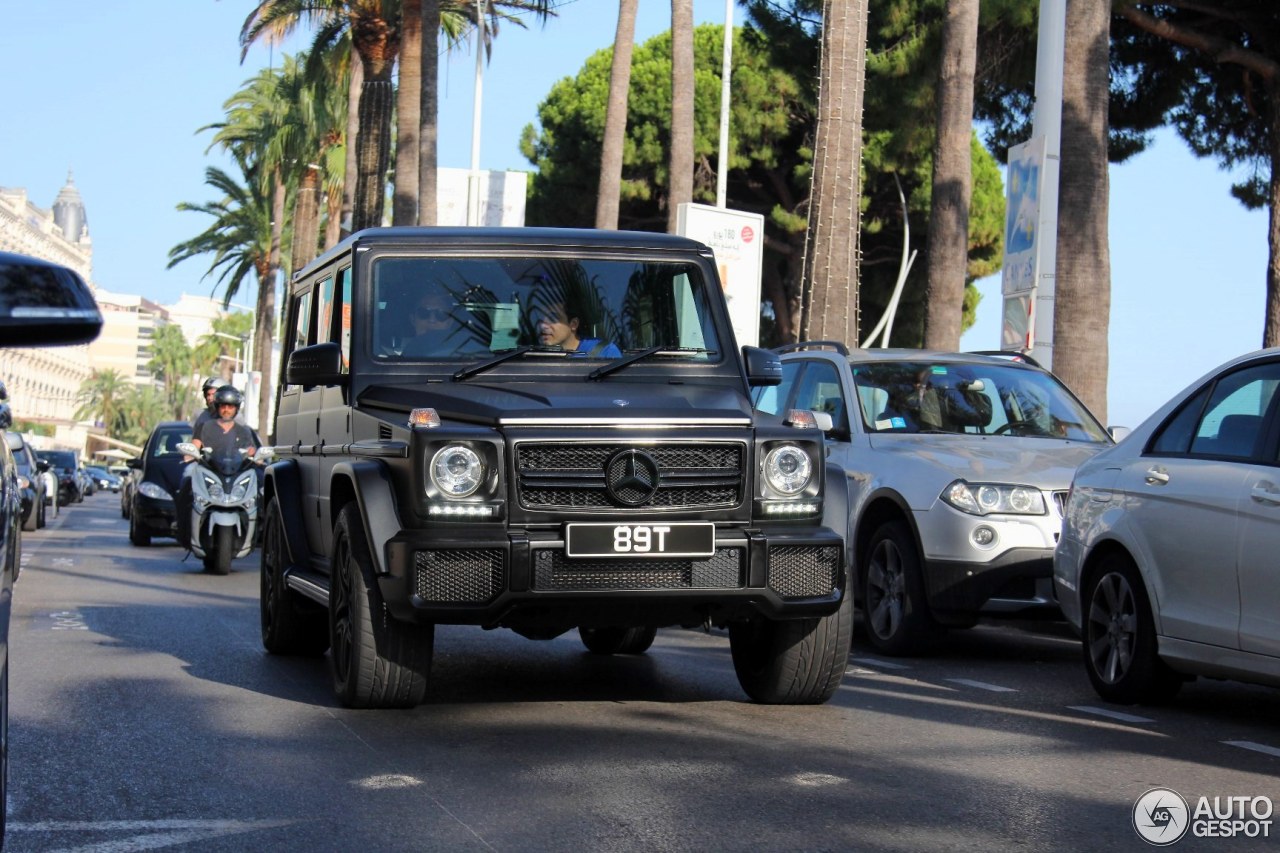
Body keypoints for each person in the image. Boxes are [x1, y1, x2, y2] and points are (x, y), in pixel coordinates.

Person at [177, 386, 256, 549]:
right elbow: (195, 445)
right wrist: (190, 453)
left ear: (236, 409)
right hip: (210, 470)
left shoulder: (244, 431)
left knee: (261, 490)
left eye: (231, 406)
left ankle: (258, 535)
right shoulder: (205, 426)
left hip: (234, 473)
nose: (226, 410)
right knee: (185, 485)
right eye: (223, 406)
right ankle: (184, 533)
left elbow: (251, 450)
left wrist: (256, 457)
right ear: (218, 407)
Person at [534, 299, 621, 357]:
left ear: (574, 324)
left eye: (553, 318)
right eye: (540, 319)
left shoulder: (606, 352)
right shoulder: (529, 356)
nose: (543, 326)